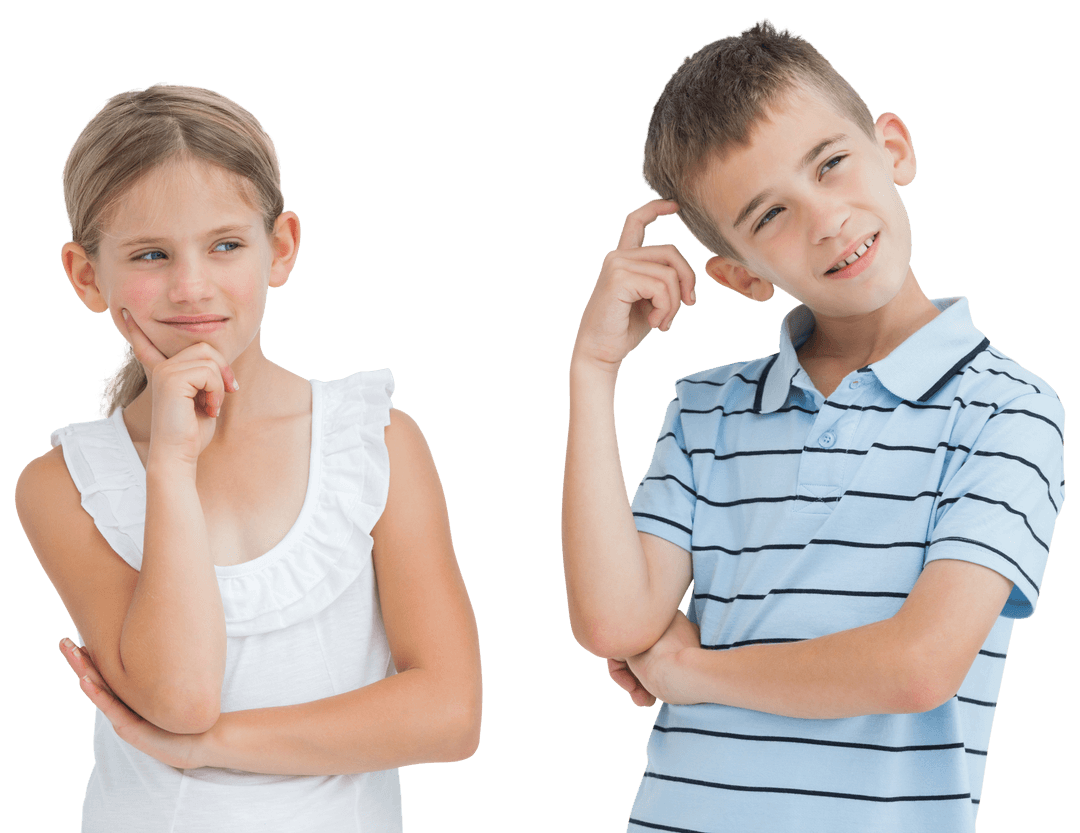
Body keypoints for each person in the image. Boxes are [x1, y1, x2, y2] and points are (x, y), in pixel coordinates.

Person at [562, 19, 1065, 833]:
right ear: (739, 275)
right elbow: (615, 623)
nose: (826, 219)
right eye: (770, 214)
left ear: (892, 148)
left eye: (830, 164)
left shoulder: (1008, 410)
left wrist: (694, 670)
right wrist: (593, 371)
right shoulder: (705, 411)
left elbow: (919, 665)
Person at [14, 82, 482, 833]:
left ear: (282, 247)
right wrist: (171, 467)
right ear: (86, 275)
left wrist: (212, 747)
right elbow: (181, 697)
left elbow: (449, 714)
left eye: (225, 245)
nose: (191, 286)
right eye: (151, 254)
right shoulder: (64, 484)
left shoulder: (375, 442)